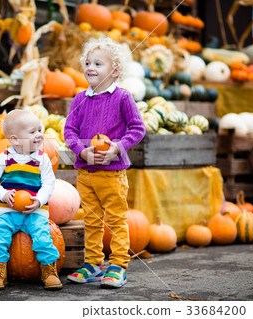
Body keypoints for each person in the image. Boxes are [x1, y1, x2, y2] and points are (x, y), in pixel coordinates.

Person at [64, 36, 146, 288]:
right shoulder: (80, 99)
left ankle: (119, 265)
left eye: (98, 64)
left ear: (115, 70)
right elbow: (69, 131)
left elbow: (137, 128)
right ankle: (94, 264)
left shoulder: (122, 97)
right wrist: (81, 151)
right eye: (88, 62)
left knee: (116, 220)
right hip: (86, 174)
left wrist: (117, 149)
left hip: (111, 174)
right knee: (90, 220)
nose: (90, 67)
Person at [0, 109, 62, 291]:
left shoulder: (43, 159)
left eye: (40, 130)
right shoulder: (4, 158)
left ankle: (49, 270)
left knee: (43, 236)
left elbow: (49, 183)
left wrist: (40, 200)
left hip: (34, 210)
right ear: (15, 139)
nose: (39, 135)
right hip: (8, 210)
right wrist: (2, 194)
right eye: (32, 132)